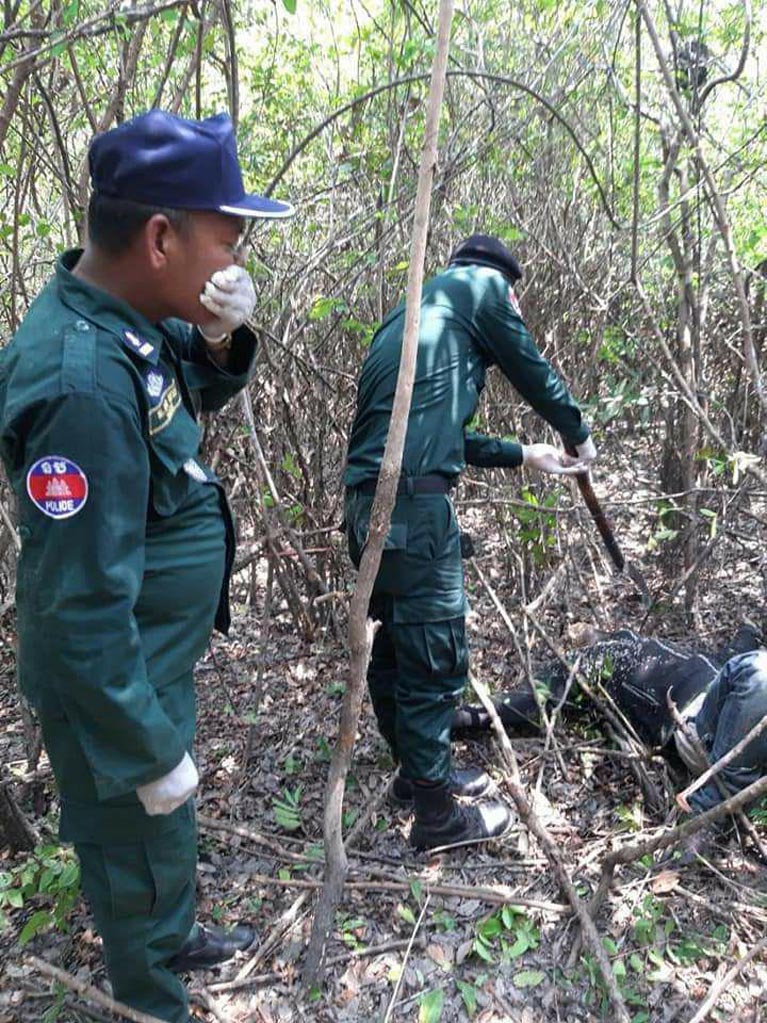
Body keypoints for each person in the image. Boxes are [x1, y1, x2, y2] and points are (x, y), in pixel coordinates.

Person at [0, 111, 293, 1023]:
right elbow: (78, 609)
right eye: (226, 240)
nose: (234, 261)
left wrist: (220, 339)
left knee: (161, 825)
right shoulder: (79, 383)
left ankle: (175, 936)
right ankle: (150, 997)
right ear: (161, 238)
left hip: (147, 659)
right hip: (110, 684)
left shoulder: (124, 318)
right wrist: (144, 748)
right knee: (131, 839)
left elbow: (176, 392)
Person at [343, 234, 597, 852]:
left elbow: (440, 435)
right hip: (413, 507)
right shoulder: (480, 290)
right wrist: (577, 431)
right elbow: (529, 365)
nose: (514, 308)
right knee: (435, 656)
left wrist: (525, 453)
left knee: (399, 642)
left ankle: (415, 774)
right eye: (515, 299)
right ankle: (437, 819)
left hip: (366, 506)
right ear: (502, 283)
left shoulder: (414, 313)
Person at [453, 623, 767, 822]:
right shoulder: (607, 659)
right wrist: (467, 716)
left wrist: (748, 634)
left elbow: (735, 655)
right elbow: (532, 697)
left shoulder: (625, 650)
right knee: (759, 673)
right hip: (701, 728)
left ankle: (720, 800)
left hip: (724, 719)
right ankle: (712, 806)